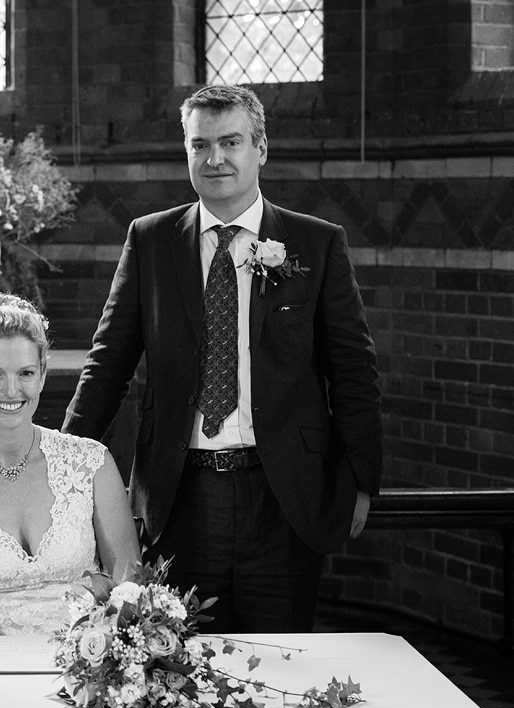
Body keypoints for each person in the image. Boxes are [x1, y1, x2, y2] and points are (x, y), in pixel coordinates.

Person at [63, 85, 383, 633]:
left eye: (230, 142)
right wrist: (63, 465)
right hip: (178, 497)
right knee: (180, 669)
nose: (215, 159)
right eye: (199, 145)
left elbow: (353, 372)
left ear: (261, 149)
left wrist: (361, 480)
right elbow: (108, 365)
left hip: (284, 497)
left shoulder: (316, 243)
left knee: (280, 669)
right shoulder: (151, 240)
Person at [0, 294, 141, 635]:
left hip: (89, 669)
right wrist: (17, 667)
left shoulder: (92, 464)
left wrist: (90, 661)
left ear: (42, 376)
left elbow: (129, 584)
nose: (11, 390)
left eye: (25, 373)